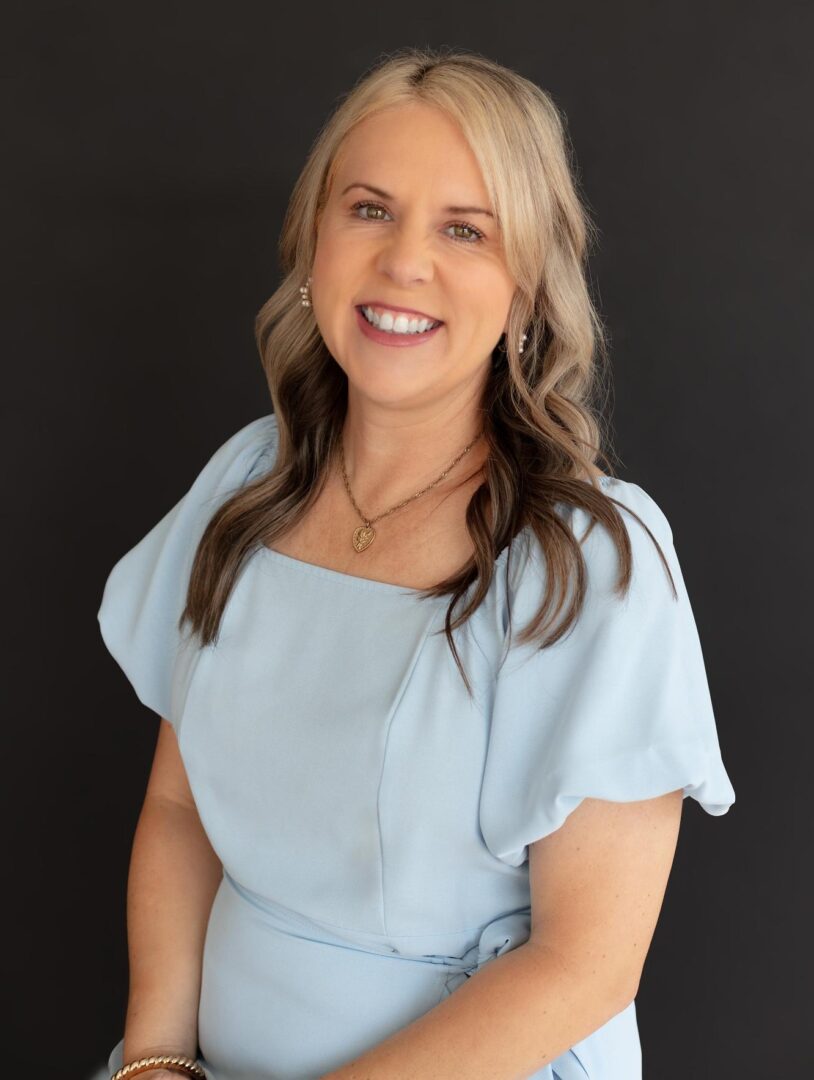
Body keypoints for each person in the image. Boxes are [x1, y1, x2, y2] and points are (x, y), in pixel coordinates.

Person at [93, 46, 736, 1080]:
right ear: (313, 243)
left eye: (464, 230)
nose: (403, 262)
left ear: (526, 290)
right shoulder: (244, 486)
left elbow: (586, 965)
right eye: (368, 210)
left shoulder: (590, 562)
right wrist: (157, 1058)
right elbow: (179, 813)